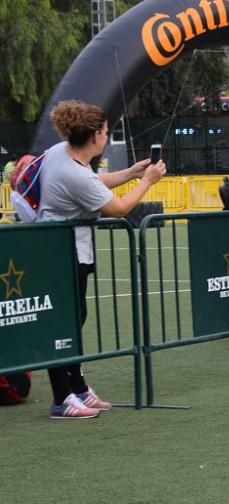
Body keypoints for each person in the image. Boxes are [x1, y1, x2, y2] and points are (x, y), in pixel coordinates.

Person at [36, 100, 166, 419]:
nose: (107, 137)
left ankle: (77, 387)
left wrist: (132, 172)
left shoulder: (62, 154)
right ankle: (61, 398)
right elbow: (119, 208)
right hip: (61, 252)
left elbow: (95, 185)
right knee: (63, 323)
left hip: (65, 250)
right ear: (95, 135)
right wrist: (147, 181)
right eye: (106, 132)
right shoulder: (72, 171)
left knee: (75, 319)